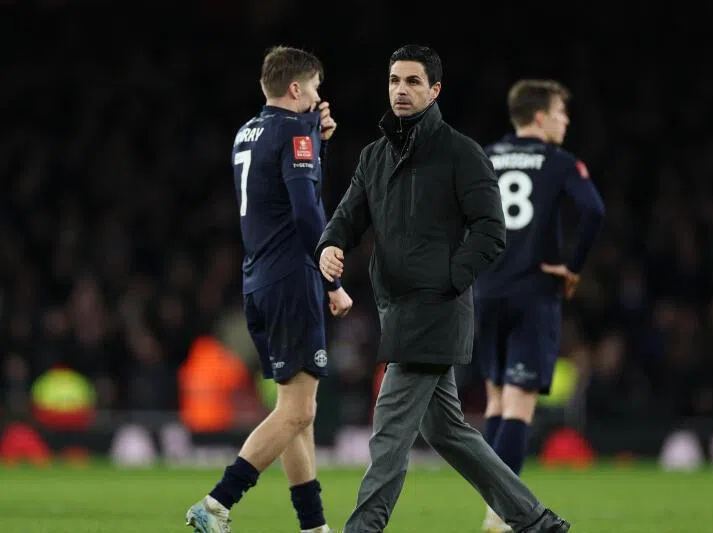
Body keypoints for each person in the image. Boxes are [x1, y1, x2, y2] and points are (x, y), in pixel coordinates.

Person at [317, 45, 571, 533]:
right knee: (448, 433)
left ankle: (362, 529)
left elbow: (491, 231)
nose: (401, 90)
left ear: (434, 91)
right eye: (394, 80)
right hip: (398, 309)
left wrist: (448, 281)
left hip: (435, 310)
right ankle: (537, 522)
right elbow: (348, 216)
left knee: (389, 428)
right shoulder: (375, 156)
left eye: (413, 82)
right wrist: (330, 244)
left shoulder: (460, 153)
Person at [185, 45, 353, 533]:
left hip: (257, 278)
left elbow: (275, 194)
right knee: (299, 409)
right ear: (296, 88)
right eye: (316, 88)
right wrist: (333, 280)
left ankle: (314, 527)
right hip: (291, 278)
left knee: (297, 413)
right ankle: (217, 502)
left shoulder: (246, 132)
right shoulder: (294, 131)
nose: (320, 98)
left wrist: (316, 141)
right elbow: (305, 209)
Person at [475, 79, 606, 532]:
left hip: (486, 292)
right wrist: (572, 266)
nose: (565, 121)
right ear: (539, 117)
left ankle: (492, 506)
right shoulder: (559, 161)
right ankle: (503, 512)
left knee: (495, 401)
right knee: (518, 405)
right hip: (534, 292)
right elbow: (593, 210)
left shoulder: (485, 157)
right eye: (560, 112)